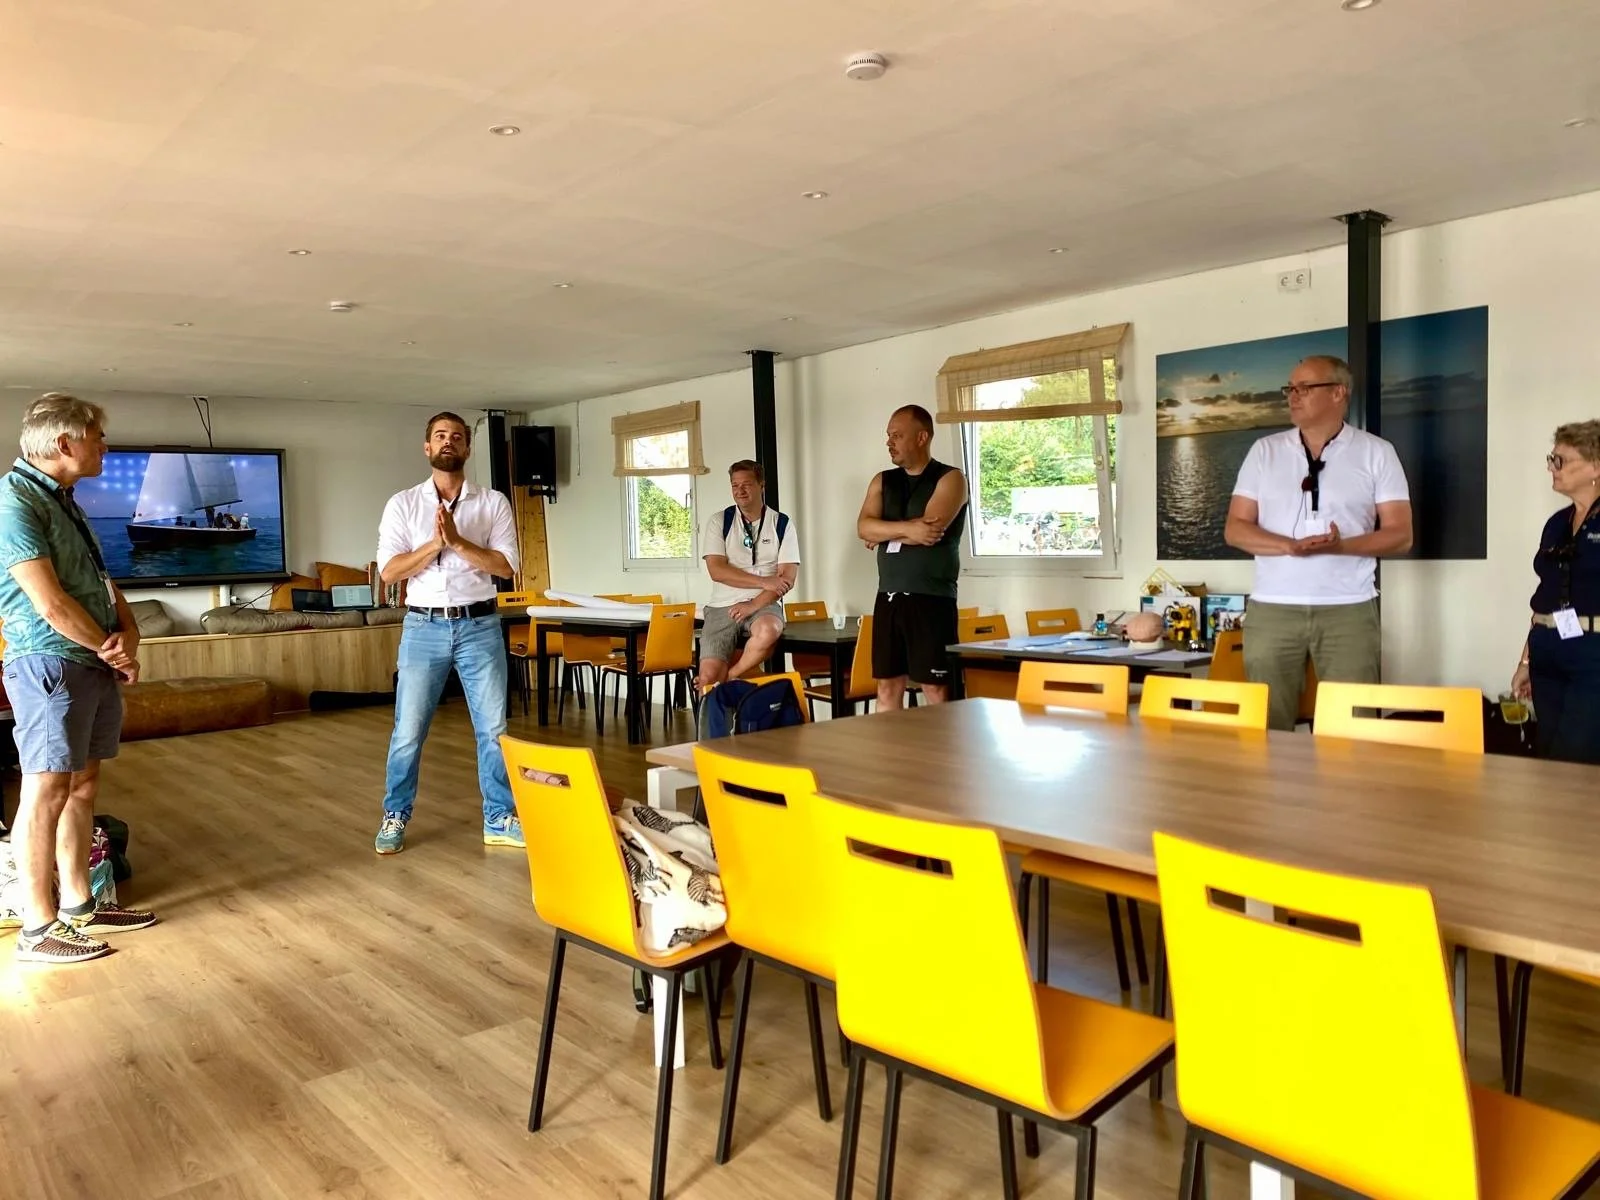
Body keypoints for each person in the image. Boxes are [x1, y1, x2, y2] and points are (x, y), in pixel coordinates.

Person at [0, 393, 157, 964]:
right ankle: (38, 929)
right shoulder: (14, 500)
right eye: (98, 437)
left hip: (88, 662)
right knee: (45, 789)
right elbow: (49, 603)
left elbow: (101, 582)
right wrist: (112, 651)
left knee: (82, 786)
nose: (105, 447)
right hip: (49, 663)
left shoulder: (65, 501)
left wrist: (128, 632)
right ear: (65, 443)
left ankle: (80, 907)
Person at [1224, 355, 1413, 731]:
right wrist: (1289, 546)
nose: (1292, 396)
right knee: (1265, 727)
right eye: (1290, 388)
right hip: (1272, 609)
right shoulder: (1264, 451)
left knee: (1353, 727)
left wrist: (1341, 547)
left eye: (1304, 388)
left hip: (1349, 609)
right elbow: (1235, 529)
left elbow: (1401, 536)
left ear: (1339, 392)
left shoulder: (1377, 452)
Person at [373, 412, 521, 855]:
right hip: (424, 627)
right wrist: (434, 544)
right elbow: (389, 571)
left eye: (457, 436)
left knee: (494, 729)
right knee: (408, 730)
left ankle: (499, 818)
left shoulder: (492, 502)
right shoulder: (403, 504)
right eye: (440, 436)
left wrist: (457, 542)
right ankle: (395, 814)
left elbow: (506, 567)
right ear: (427, 447)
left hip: (480, 626)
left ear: (467, 448)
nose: (448, 442)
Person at [856, 404, 970, 709]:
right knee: (887, 686)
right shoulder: (882, 480)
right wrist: (908, 530)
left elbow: (930, 531)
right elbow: (863, 528)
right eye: (888, 435)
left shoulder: (951, 478)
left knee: (935, 688)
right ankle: (889, 743)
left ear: (921, 438)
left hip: (931, 599)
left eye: (897, 435)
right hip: (888, 597)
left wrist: (883, 532)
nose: (889, 442)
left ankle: (943, 742)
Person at [1511, 421, 1600, 764]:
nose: (1552, 467)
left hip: (1592, 652)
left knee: (1575, 758)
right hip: (1548, 647)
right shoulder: (1556, 524)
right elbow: (1545, 597)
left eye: (1560, 460)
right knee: (1548, 757)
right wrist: (1525, 661)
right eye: (1552, 459)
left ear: (1595, 467)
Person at [696, 460, 799, 691]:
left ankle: (730, 677)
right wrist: (764, 581)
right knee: (707, 678)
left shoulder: (782, 524)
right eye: (735, 485)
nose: (740, 491)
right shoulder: (719, 521)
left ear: (761, 485)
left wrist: (753, 604)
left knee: (769, 631)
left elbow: (787, 579)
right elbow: (717, 571)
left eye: (746, 484)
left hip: (764, 604)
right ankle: (714, 704)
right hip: (722, 606)